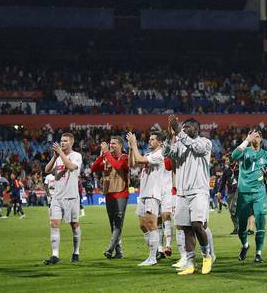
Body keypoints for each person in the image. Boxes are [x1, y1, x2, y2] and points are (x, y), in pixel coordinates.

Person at [163, 115, 214, 276]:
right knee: (186, 229)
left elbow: (196, 149)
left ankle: (207, 257)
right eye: (182, 127)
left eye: (187, 127)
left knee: (197, 224)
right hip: (182, 192)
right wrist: (169, 137)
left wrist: (179, 132)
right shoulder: (180, 143)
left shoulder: (205, 142)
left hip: (199, 191)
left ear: (196, 129)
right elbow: (167, 153)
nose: (183, 130)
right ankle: (191, 263)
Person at [232, 128, 267, 263]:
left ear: (261, 139)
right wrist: (246, 140)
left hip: (259, 192)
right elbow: (233, 156)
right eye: (252, 136)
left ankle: (258, 253)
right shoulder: (244, 151)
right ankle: (245, 245)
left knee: (260, 222)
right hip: (244, 193)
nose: (254, 139)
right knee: (242, 226)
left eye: (256, 136)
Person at [43, 133, 83, 265]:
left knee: (74, 225)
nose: (62, 143)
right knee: (54, 224)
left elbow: (71, 167)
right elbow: (47, 170)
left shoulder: (76, 156)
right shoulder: (58, 158)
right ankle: (55, 255)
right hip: (57, 197)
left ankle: (76, 252)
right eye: (61, 141)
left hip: (71, 197)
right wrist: (55, 157)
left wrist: (61, 154)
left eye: (65, 141)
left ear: (72, 142)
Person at [128, 131, 165, 266]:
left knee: (151, 224)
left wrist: (134, 143)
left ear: (160, 142)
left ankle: (152, 257)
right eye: (149, 139)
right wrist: (132, 148)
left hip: (153, 193)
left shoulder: (160, 154)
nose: (150, 141)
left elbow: (138, 160)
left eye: (153, 139)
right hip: (143, 193)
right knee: (143, 225)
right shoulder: (149, 154)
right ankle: (154, 252)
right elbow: (133, 163)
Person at [91, 136, 129, 259]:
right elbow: (94, 168)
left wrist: (106, 153)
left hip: (121, 193)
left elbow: (117, 166)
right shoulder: (106, 158)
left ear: (120, 146)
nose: (111, 145)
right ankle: (119, 252)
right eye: (110, 143)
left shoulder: (125, 157)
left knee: (118, 223)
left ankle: (109, 249)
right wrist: (101, 155)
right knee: (113, 225)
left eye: (113, 143)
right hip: (109, 193)